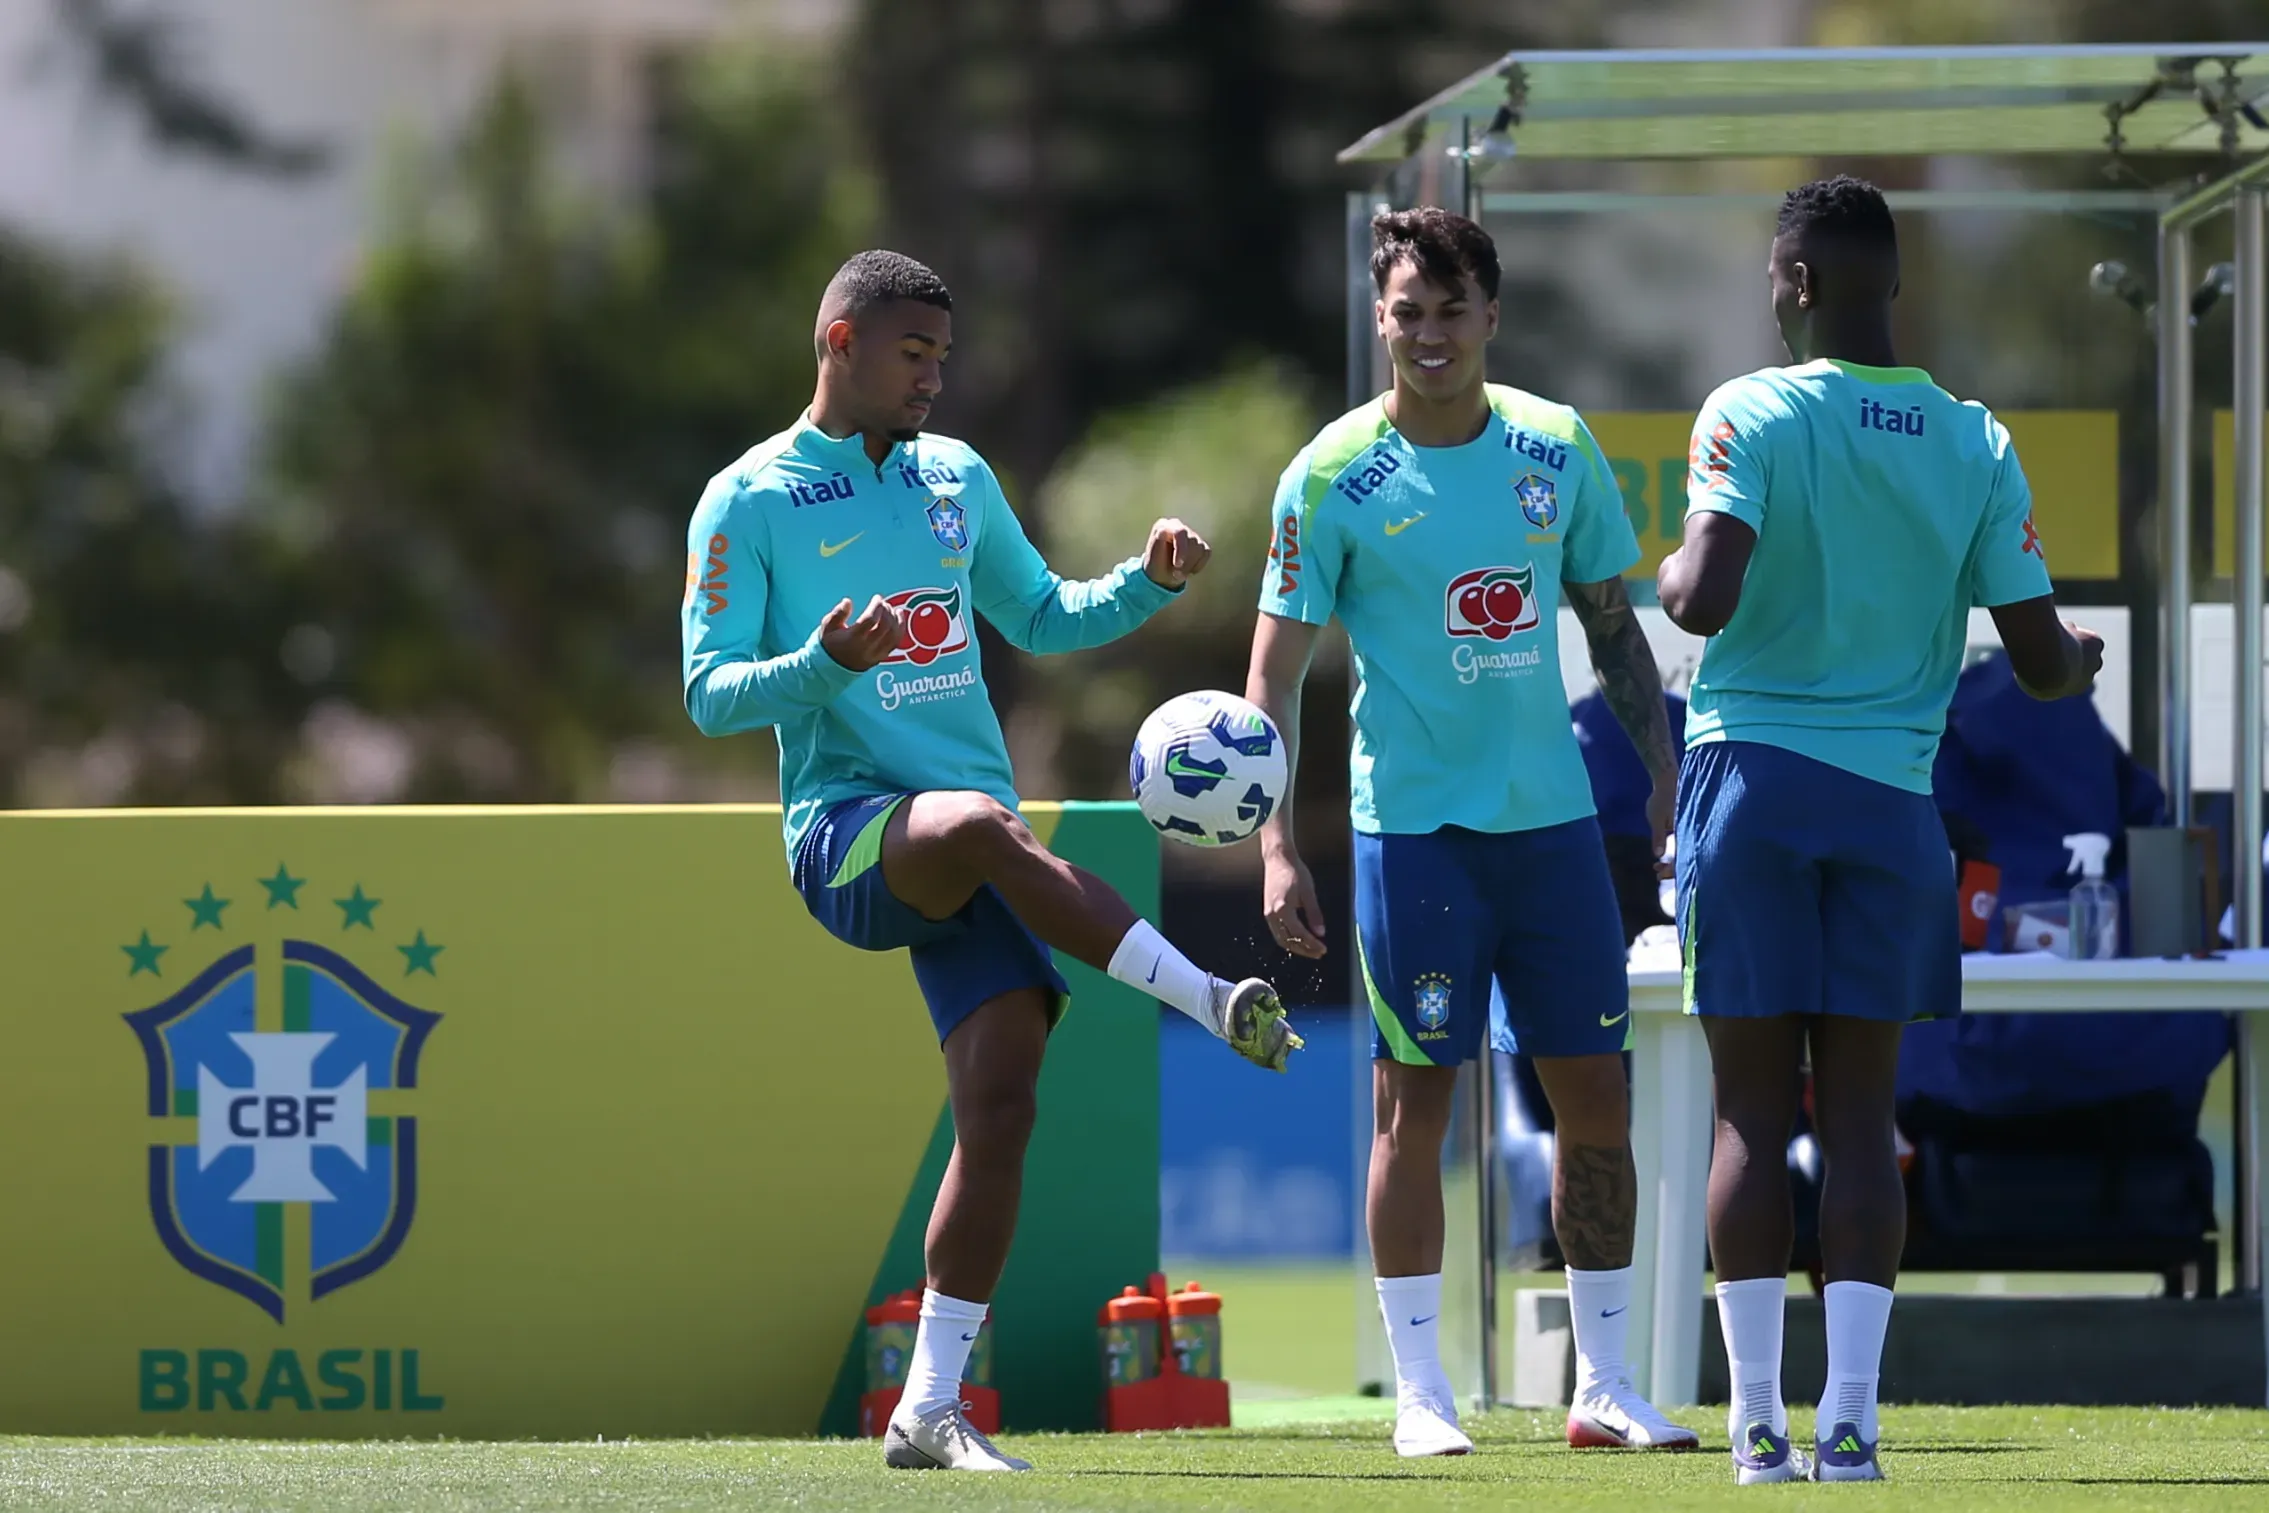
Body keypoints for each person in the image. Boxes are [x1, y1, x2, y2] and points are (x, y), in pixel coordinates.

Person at [681, 250, 1300, 1474]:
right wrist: (823, 665)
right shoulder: (745, 498)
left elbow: (1042, 616)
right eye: (911, 353)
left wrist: (1146, 582)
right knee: (972, 819)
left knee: (1003, 1104)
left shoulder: (955, 477)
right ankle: (1208, 999)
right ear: (838, 341)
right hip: (849, 833)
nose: (931, 379)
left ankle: (928, 1409)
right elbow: (708, 694)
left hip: (972, 843)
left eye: (943, 359)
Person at [1657, 176, 2103, 1486]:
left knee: (1748, 1111)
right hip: (1890, 803)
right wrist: (2074, 653)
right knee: (1861, 1118)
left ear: (1791, 281)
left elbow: (1702, 597)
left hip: (1749, 785)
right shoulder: (1975, 441)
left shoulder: (1749, 409)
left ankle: (1754, 1427)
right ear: (1891, 284)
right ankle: (1850, 1422)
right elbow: (2035, 666)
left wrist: (1673, 567)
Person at [1246, 207, 1696, 1459]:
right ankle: (1422, 1394)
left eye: (1452, 311)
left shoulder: (1556, 448)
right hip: (1415, 839)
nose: (1429, 333)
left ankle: (1603, 1384)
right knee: (1415, 1106)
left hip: (1553, 834)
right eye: (1407, 311)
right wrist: (1278, 843)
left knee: (1593, 1099)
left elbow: (1613, 629)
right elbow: (1272, 680)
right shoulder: (1330, 473)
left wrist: (1660, 781)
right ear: (1378, 319)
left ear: (1491, 317)